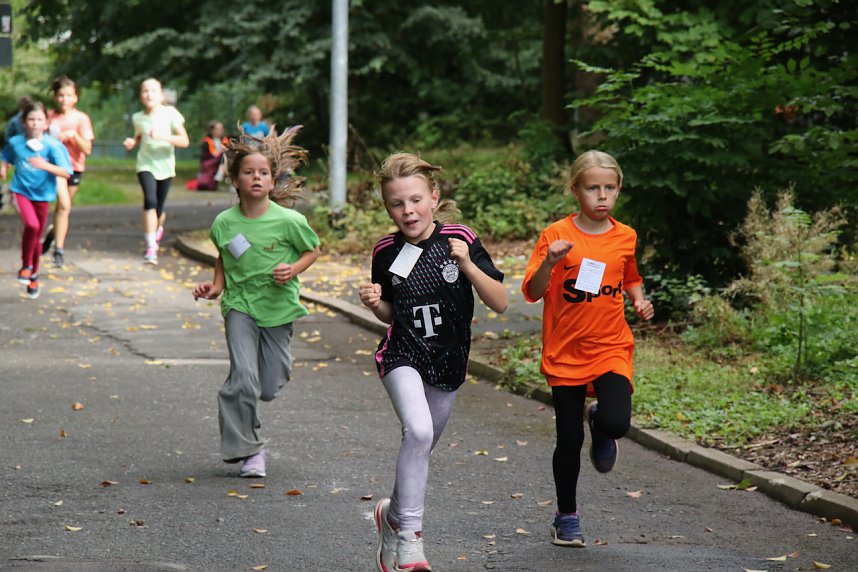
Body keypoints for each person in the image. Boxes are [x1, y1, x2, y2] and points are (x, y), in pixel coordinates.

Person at [359, 153, 508, 572]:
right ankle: (409, 539)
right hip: (402, 354)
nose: (407, 211)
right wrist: (375, 305)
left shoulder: (460, 237)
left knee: (420, 445)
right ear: (387, 207)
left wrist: (465, 264)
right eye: (396, 204)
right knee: (419, 430)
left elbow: (499, 302)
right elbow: (392, 313)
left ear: (434, 198)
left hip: (448, 362)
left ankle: (390, 518)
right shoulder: (385, 251)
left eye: (416, 200)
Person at [521, 150, 655, 548]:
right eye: (593, 188)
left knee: (616, 422)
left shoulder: (625, 235)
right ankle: (566, 517)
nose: (602, 196)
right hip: (565, 352)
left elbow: (629, 274)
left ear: (618, 190)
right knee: (567, 440)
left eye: (609, 188)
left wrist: (639, 299)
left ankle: (600, 423)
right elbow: (532, 290)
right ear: (575, 190)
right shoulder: (555, 235)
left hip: (611, 345)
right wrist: (550, 261)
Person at [192, 126, 320, 479]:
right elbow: (224, 257)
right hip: (240, 306)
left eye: (263, 172)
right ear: (235, 180)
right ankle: (249, 451)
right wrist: (216, 287)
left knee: (268, 384)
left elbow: (313, 250)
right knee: (244, 380)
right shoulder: (224, 223)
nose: (256, 178)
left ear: (273, 178)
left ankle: (248, 426)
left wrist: (292, 268)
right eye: (248, 172)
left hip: (278, 308)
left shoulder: (289, 220)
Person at [1, 100, 73, 299]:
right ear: (24, 123)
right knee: (31, 226)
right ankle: (26, 264)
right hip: (21, 191)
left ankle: (34, 275)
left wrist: (44, 165)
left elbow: (66, 172)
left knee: (37, 236)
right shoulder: (16, 142)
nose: (35, 123)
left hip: (43, 195)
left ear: (46, 123)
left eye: (39, 119)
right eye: (31, 119)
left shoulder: (52, 146)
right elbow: (5, 155)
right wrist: (3, 166)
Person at [123, 78, 190, 265]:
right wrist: (132, 142)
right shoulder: (138, 117)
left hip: (166, 166)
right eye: (145, 91)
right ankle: (151, 246)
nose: (148, 94)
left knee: (159, 208)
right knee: (150, 201)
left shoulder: (170, 113)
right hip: (145, 164)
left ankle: (157, 227)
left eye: (153, 91)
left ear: (161, 95)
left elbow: (184, 141)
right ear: (140, 96)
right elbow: (139, 137)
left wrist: (162, 137)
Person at [41, 75, 95, 267]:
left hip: (75, 168)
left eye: (69, 95)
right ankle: (59, 251)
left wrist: (73, 136)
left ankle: (51, 236)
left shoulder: (81, 119)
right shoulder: (48, 117)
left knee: (63, 208)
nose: (64, 99)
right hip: (55, 168)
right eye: (61, 95)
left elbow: (87, 149)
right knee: (64, 205)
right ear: (55, 97)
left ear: (76, 98)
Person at [191, 120, 228, 191]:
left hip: (223, 162)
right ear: (212, 130)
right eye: (217, 129)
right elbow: (213, 154)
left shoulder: (224, 139)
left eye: (221, 129)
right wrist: (221, 149)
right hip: (210, 164)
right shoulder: (207, 141)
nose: (220, 131)